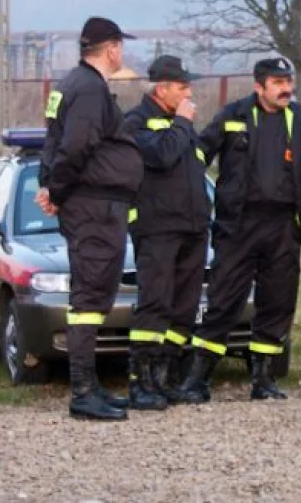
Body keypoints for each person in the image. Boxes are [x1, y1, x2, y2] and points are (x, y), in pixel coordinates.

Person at [175, 57, 301, 402]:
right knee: (224, 300)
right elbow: (198, 153)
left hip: (284, 226)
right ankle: (198, 379)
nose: (286, 88)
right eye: (278, 83)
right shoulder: (234, 115)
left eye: (288, 81)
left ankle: (263, 379)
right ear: (259, 87)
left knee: (278, 301)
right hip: (239, 226)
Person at [36, 16, 143, 421]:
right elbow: (75, 145)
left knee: (94, 294)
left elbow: (52, 139)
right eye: (121, 47)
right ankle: (82, 390)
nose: (122, 54)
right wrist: (57, 191)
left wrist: (50, 186)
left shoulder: (69, 86)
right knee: (90, 296)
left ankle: (91, 385)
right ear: (112, 47)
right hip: (94, 207)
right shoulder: (89, 89)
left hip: (93, 204)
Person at [123, 55, 209, 410]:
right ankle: (141, 380)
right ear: (162, 89)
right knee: (155, 304)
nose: (189, 94)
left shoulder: (179, 124)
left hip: (192, 227)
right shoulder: (136, 122)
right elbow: (161, 157)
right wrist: (184, 124)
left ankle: (167, 375)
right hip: (158, 228)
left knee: (185, 307)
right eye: (182, 88)